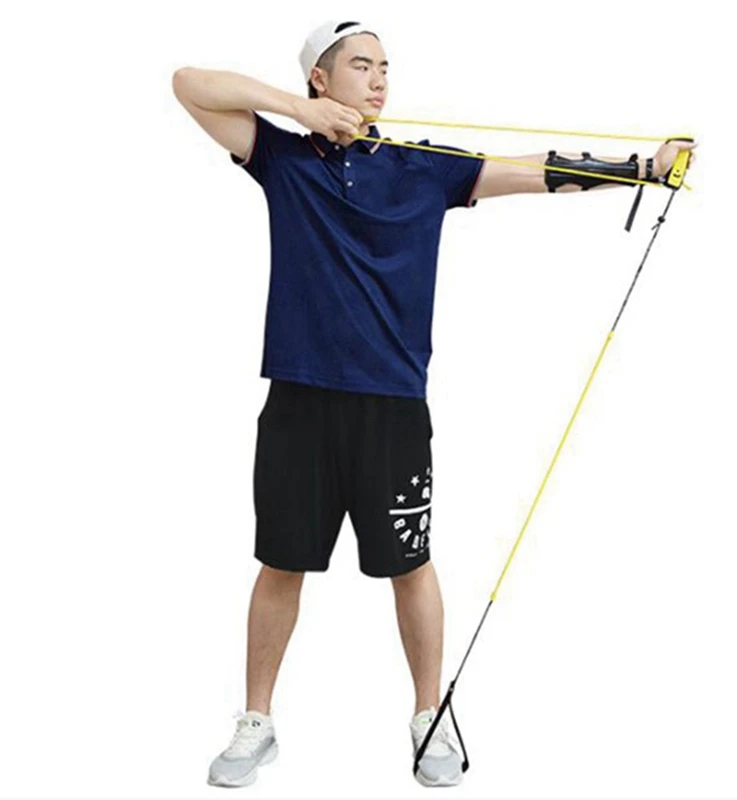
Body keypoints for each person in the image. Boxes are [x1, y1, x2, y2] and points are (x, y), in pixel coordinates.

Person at [171, 20, 697, 790]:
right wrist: (297, 110)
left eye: (385, 66)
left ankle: (429, 714)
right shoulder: (283, 160)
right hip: (300, 400)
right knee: (280, 563)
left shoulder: (419, 168)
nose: (379, 79)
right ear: (321, 78)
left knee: (410, 565)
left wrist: (642, 168)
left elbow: (533, 171)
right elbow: (187, 83)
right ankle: (257, 719)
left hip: (391, 406)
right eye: (361, 65)